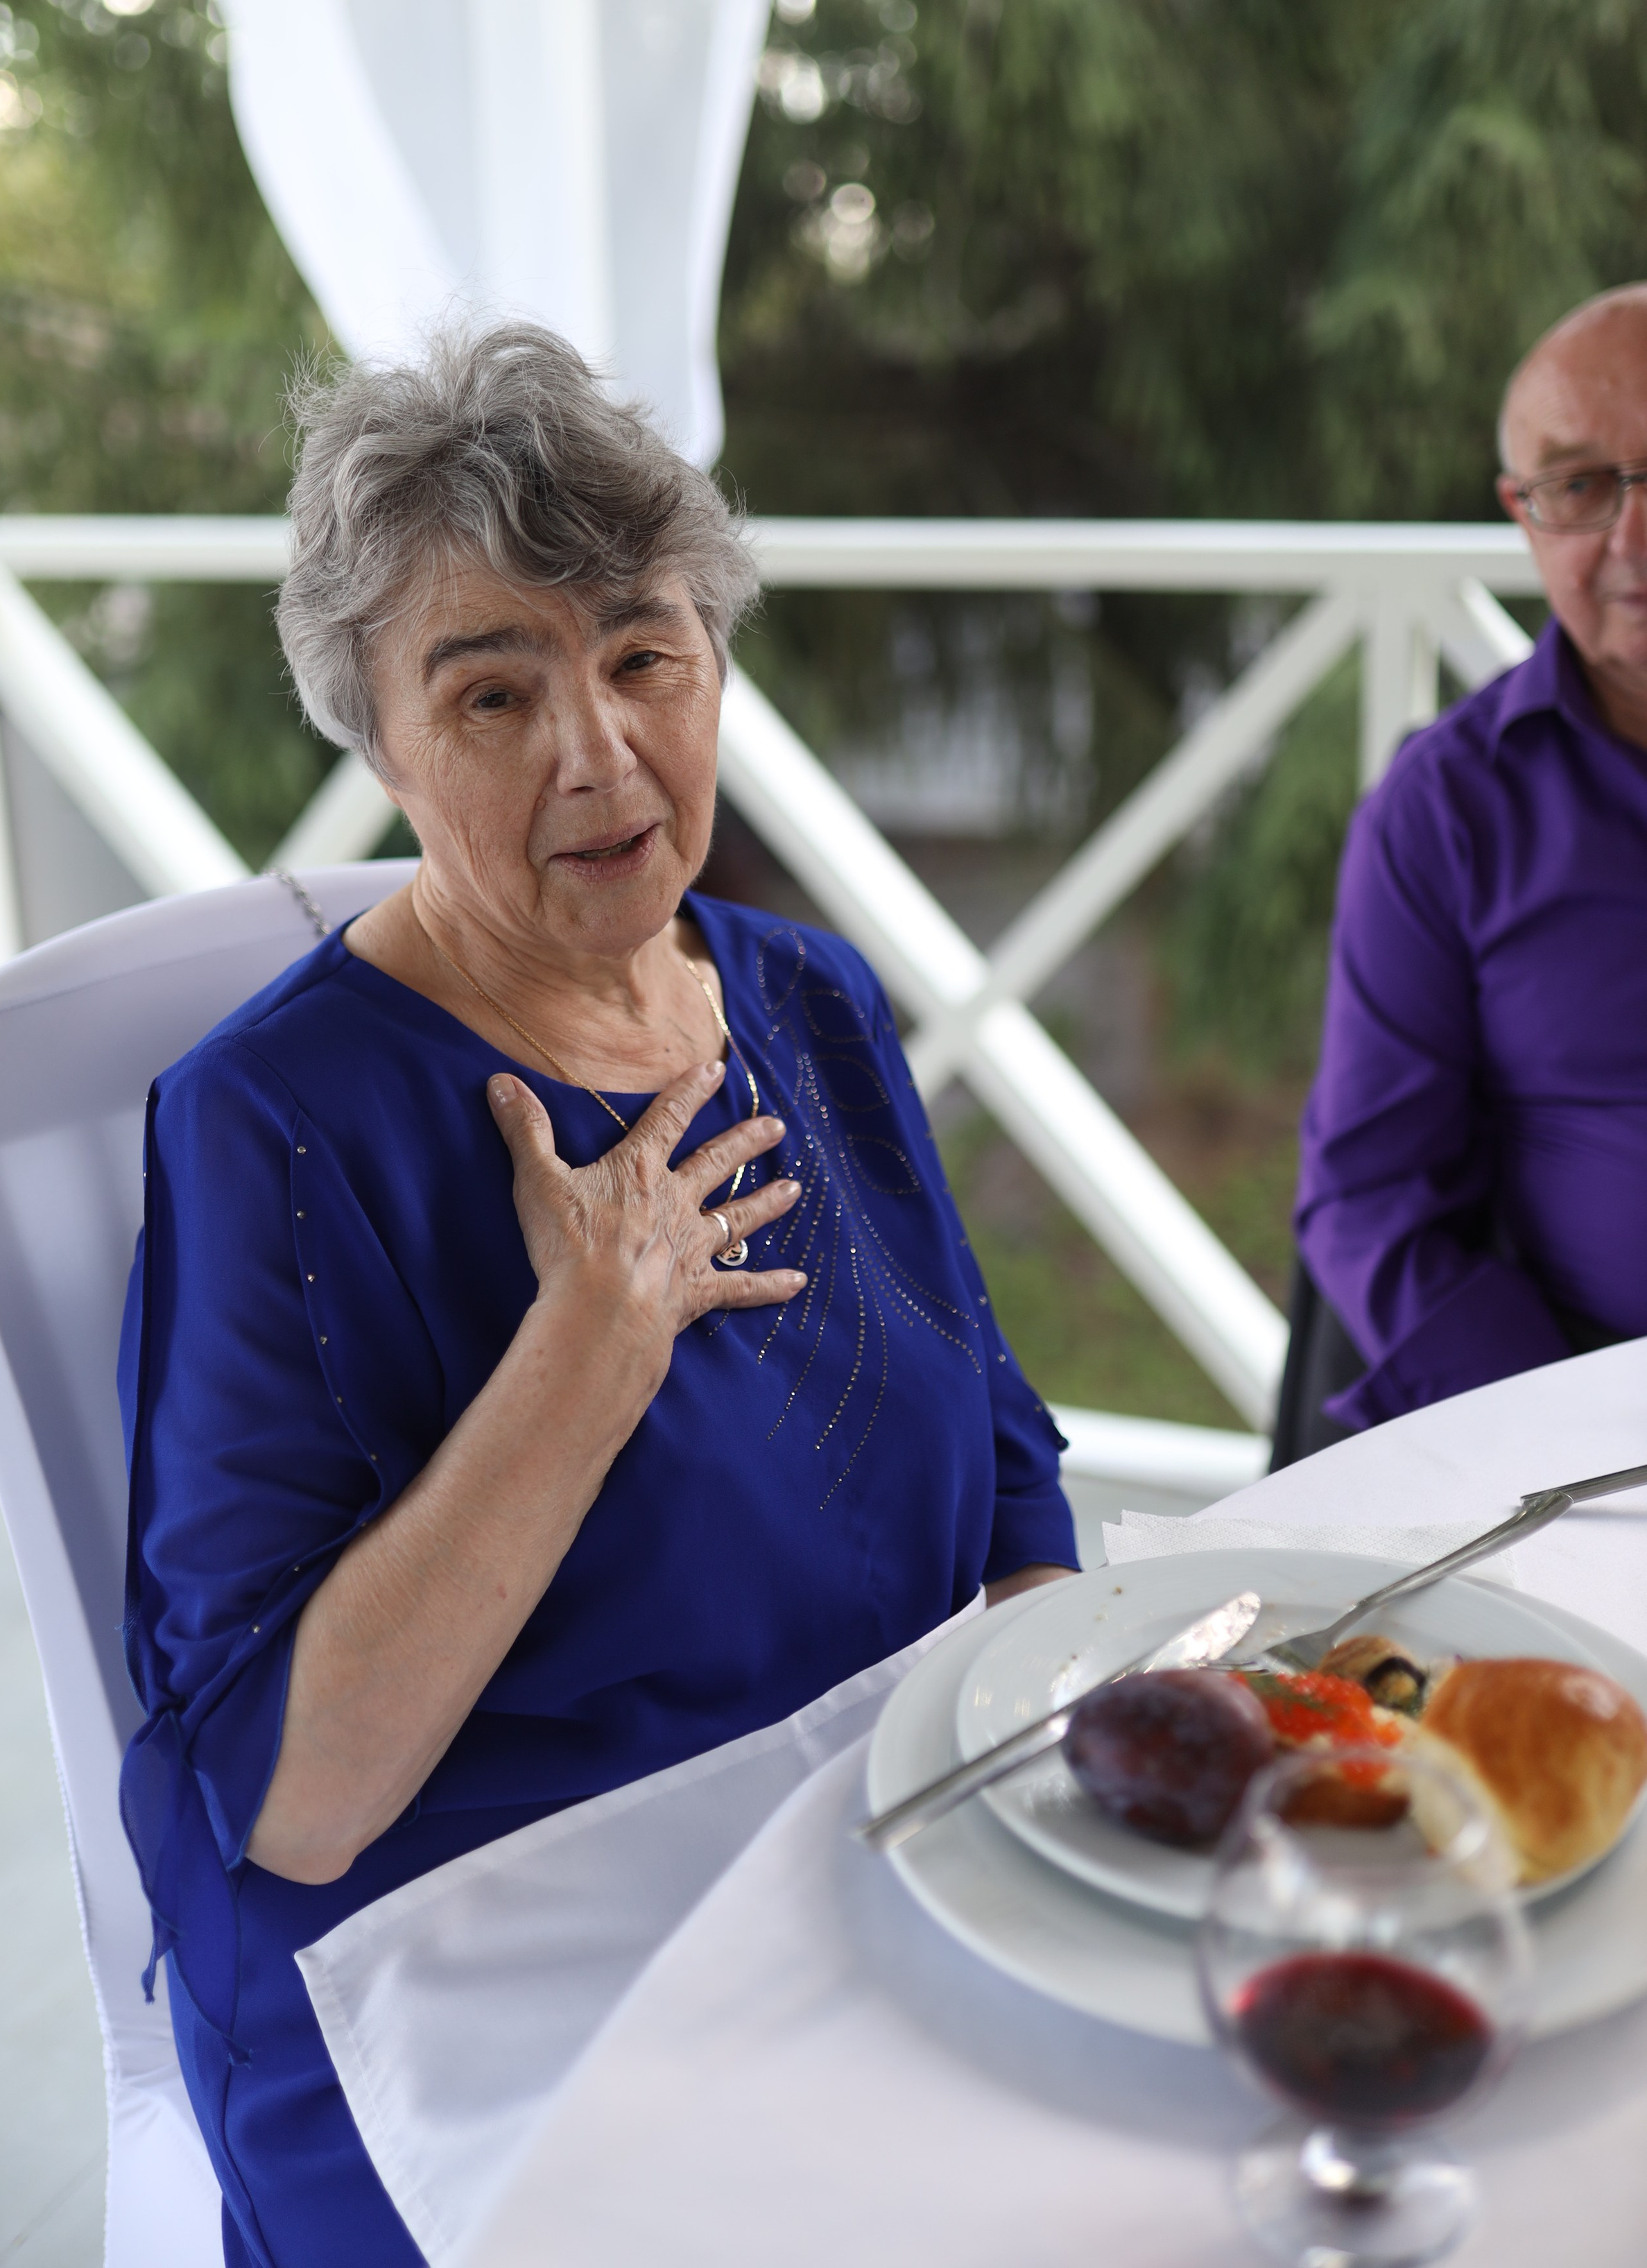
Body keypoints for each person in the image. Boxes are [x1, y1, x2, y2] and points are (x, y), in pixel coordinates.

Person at [117, 323, 1078, 2267]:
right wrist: (590, 1347)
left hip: (873, 1883)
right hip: (489, 2018)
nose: (599, 753)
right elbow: (295, 1797)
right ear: (381, 743)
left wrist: (1047, 1782)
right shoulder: (278, 1129)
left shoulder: (802, 996)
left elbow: (999, 1456)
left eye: (644, 656)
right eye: (493, 693)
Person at [1294, 282, 1647, 1438]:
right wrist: (1580, 1447)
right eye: (1581, 486)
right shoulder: (1448, 808)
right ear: (1524, 513)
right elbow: (1372, 1200)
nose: (1633, 539)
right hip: (1590, 1437)